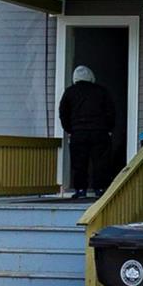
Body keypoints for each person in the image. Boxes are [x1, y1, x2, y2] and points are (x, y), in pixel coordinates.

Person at [58, 65, 117, 197]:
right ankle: (100, 189)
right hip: (100, 132)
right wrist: (109, 129)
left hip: (78, 132)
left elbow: (63, 113)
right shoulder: (101, 91)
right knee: (100, 162)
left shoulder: (69, 92)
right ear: (91, 77)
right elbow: (110, 111)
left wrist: (69, 129)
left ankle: (80, 190)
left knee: (79, 163)